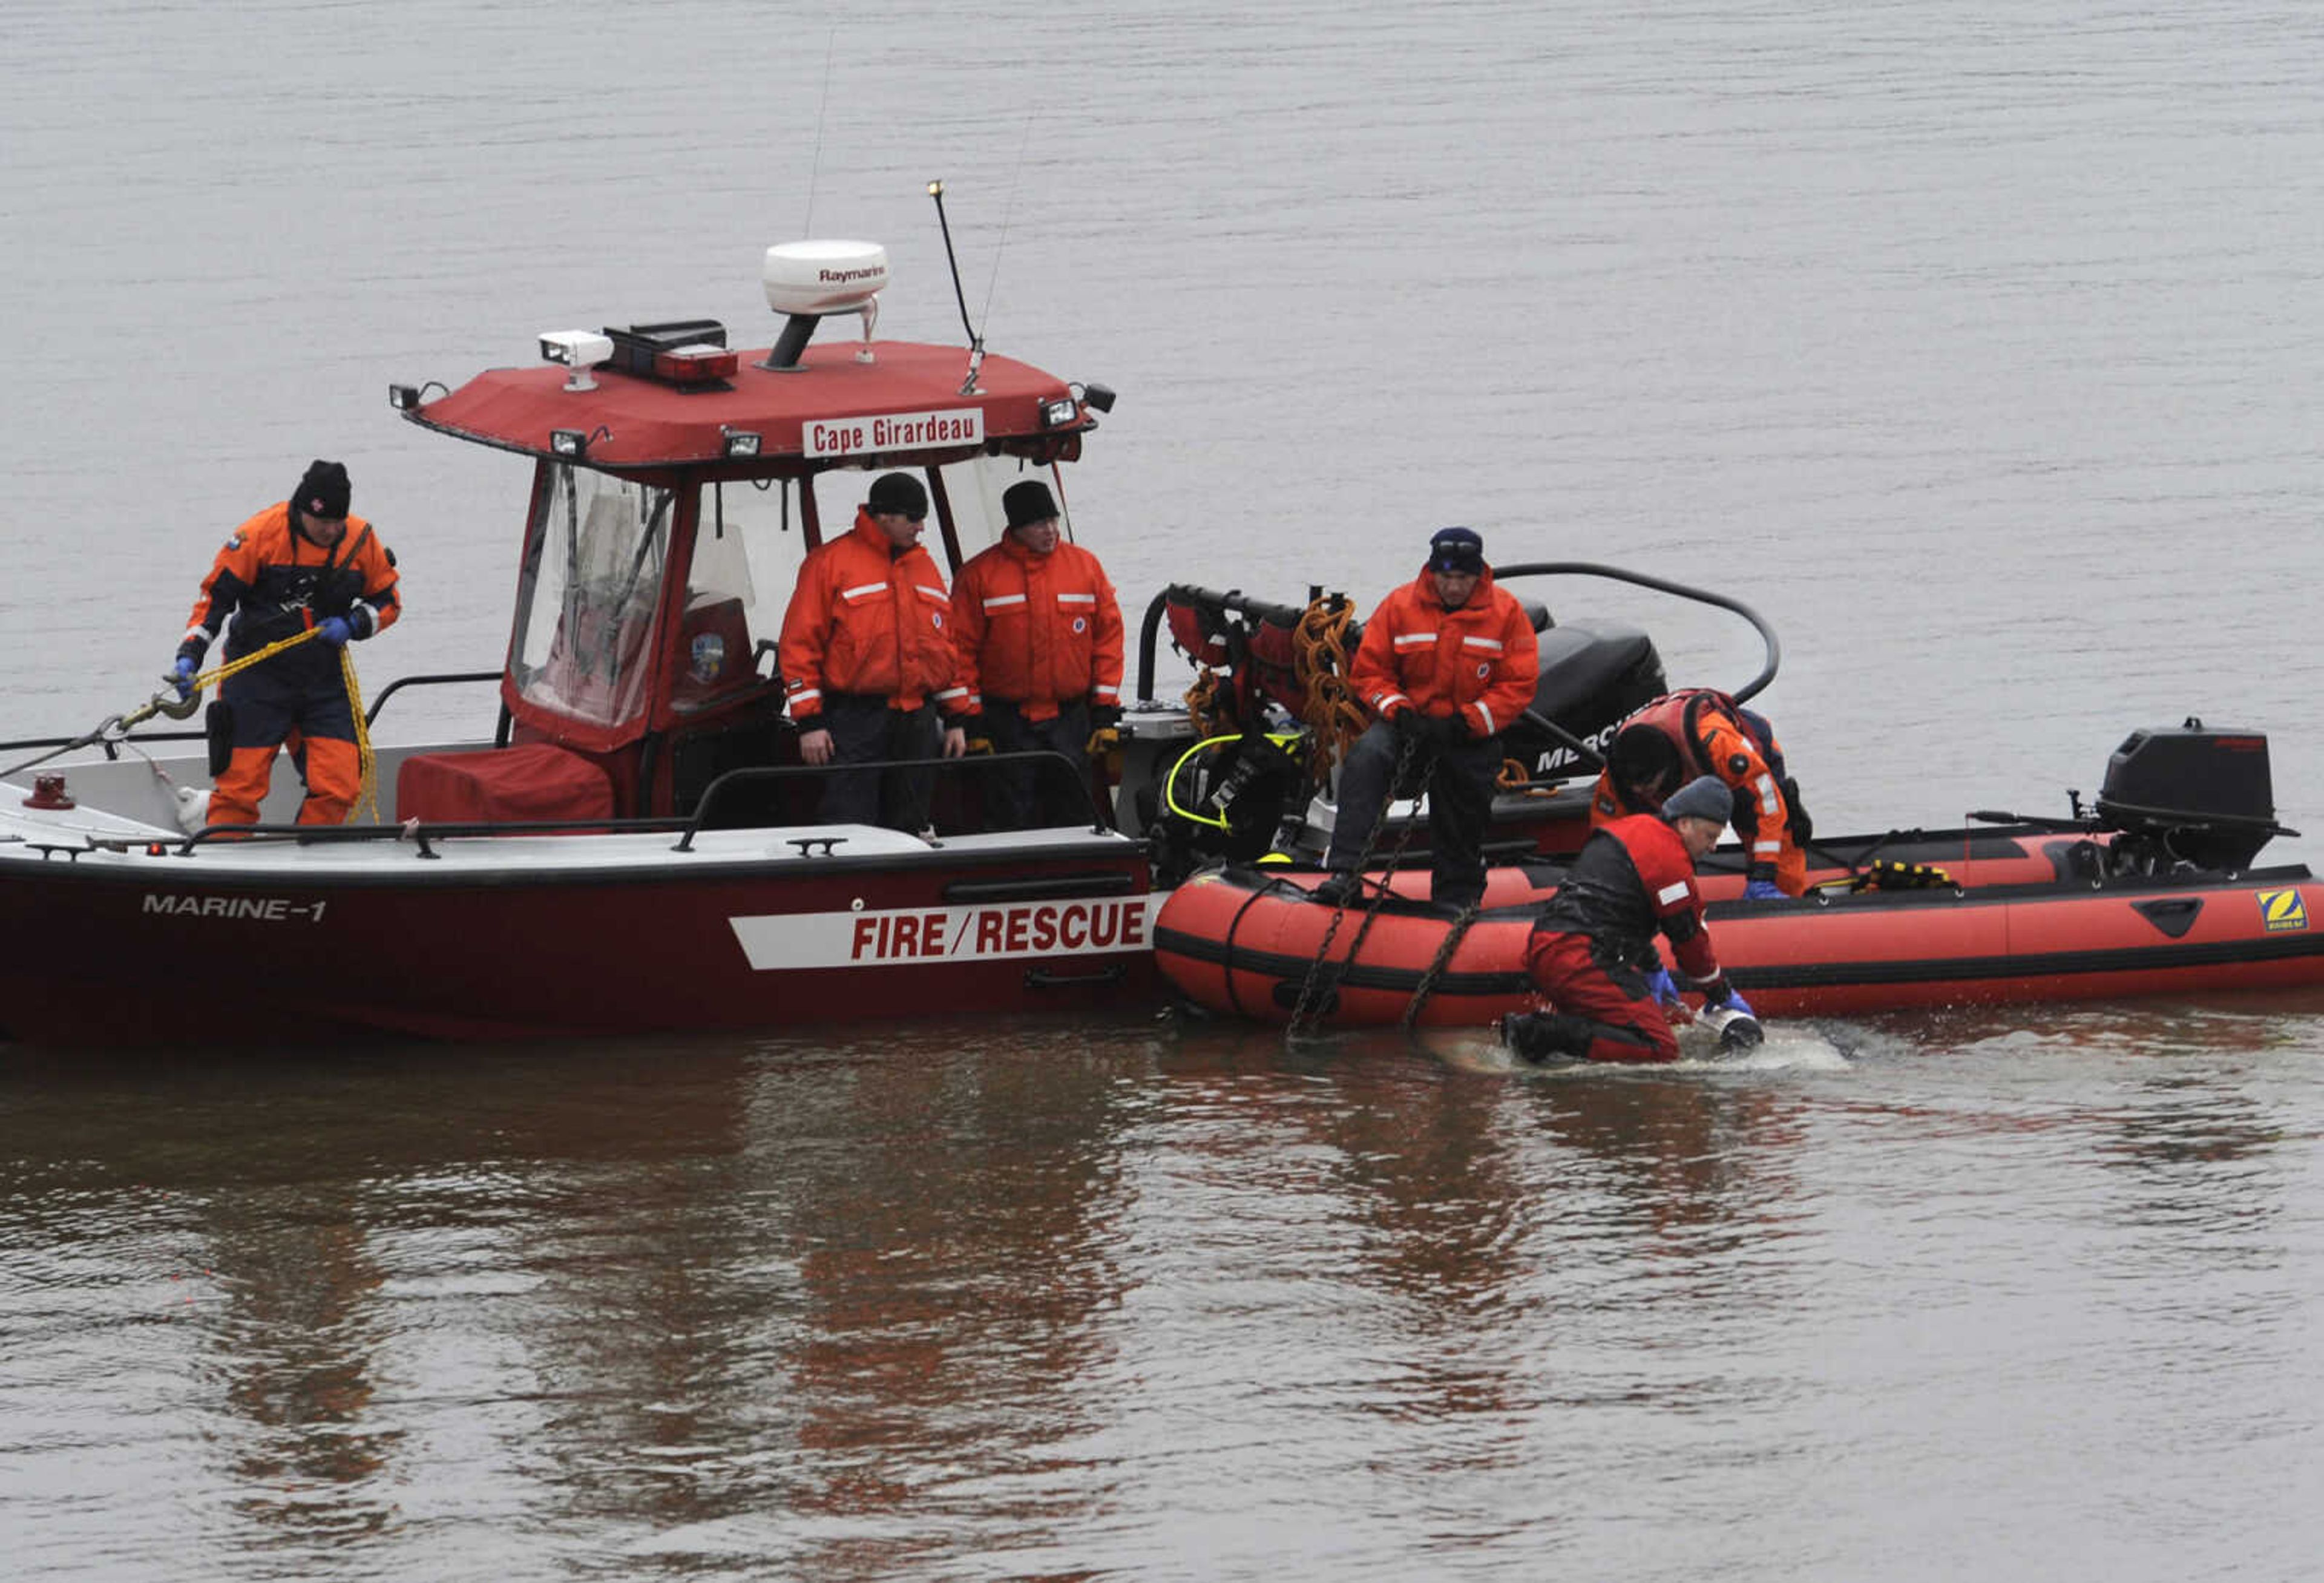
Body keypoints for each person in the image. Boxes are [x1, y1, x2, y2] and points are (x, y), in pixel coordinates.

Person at [169, 459, 401, 827]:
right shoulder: (259, 536)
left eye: (336, 522)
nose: (330, 530)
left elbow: (388, 602)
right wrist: (189, 657)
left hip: (323, 681)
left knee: (340, 786)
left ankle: (309, 867)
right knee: (237, 794)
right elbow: (215, 602)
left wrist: (353, 623)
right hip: (255, 680)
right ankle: (225, 865)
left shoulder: (361, 541)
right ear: (301, 509)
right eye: (321, 522)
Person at [1319, 525, 1539, 911]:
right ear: (1433, 572)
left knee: (1463, 798)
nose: (1454, 587)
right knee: (1366, 758)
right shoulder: (1399, 607)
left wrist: (1466, 723)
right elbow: (1370, 673)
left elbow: (1518, 685)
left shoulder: (1506, 614)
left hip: (1467, 734)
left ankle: (1457, 895)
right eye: (1447, 577)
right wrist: (1399, 711)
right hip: (1407, 727)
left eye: (1463, 578)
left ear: (1478, 574)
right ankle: (1346, 873)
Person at [1501, 774, 1756, 1064]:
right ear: (1685, 823)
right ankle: (1535, 1034)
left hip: (1550, 946)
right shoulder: (1669, 861)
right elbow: (1688, 938)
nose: (1713, 847)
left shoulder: (1633, 828)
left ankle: (1549, 1045)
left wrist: (1650, 964)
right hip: (1583, 959)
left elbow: (1616, 909)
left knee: (1620, 1028)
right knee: (1659, 1048)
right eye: (1711, 836)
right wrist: (1719, 991)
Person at [776, 471, 971, 831]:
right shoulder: (829, 564)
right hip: (855, 720)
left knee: (912, 823)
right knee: (850, 820)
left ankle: (908, 885)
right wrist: (810, 723)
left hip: (918, 721)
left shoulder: (924, 566)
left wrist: (957, 719)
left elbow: (945, 646)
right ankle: (847, 886)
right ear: (884, 516)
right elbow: (799, 646)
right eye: (913, 518)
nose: (921, 527)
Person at [950, 479, 1126, 829]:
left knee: (1077, 811)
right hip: (1006, 723)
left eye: (1053, 521)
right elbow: (958, 652)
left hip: (1071, 721)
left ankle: (1077, 881)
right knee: (1010, 814)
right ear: (1016, 528)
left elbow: (1108, 642)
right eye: (1038, 524)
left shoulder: (1085, 568)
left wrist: (1104, 711)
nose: (1050, 531)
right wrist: (971, 721)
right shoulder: (979, 576)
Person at [1590, 687, 1812, 898]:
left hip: (1747, 765)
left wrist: (1764, 872)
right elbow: (1607, 834)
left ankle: (1789, 902)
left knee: (1778, 836)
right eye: (1633, 787)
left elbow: (1768, 805)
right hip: (1682, 774)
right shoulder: (1617, 774)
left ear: (1665, 769)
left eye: (1646, 784)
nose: (1639, 791)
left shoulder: (1719, 746)